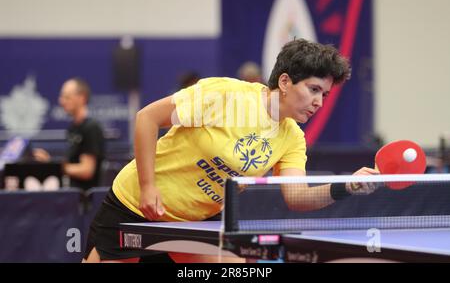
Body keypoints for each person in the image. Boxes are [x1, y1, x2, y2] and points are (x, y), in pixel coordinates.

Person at [83, 39, 380, 263]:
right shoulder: (225, 95)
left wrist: (347, 186)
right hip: (135, 205)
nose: (319, 102)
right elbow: (147, 118)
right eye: (314, 89)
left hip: (195, 223)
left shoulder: (291, 137)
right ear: (286, 82)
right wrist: (148, 187)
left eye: (325, 95)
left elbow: (297, 197)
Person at [33, 78, 105, 192]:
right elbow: (70, 165)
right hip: (71, 194)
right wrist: (50, 163)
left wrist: (54, 166)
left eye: (67, 97)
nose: (61, 101)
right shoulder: (73, 128)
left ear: (82, 97)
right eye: (62, 97)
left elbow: (86, 170)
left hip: (84, 199)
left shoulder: (91, 128)